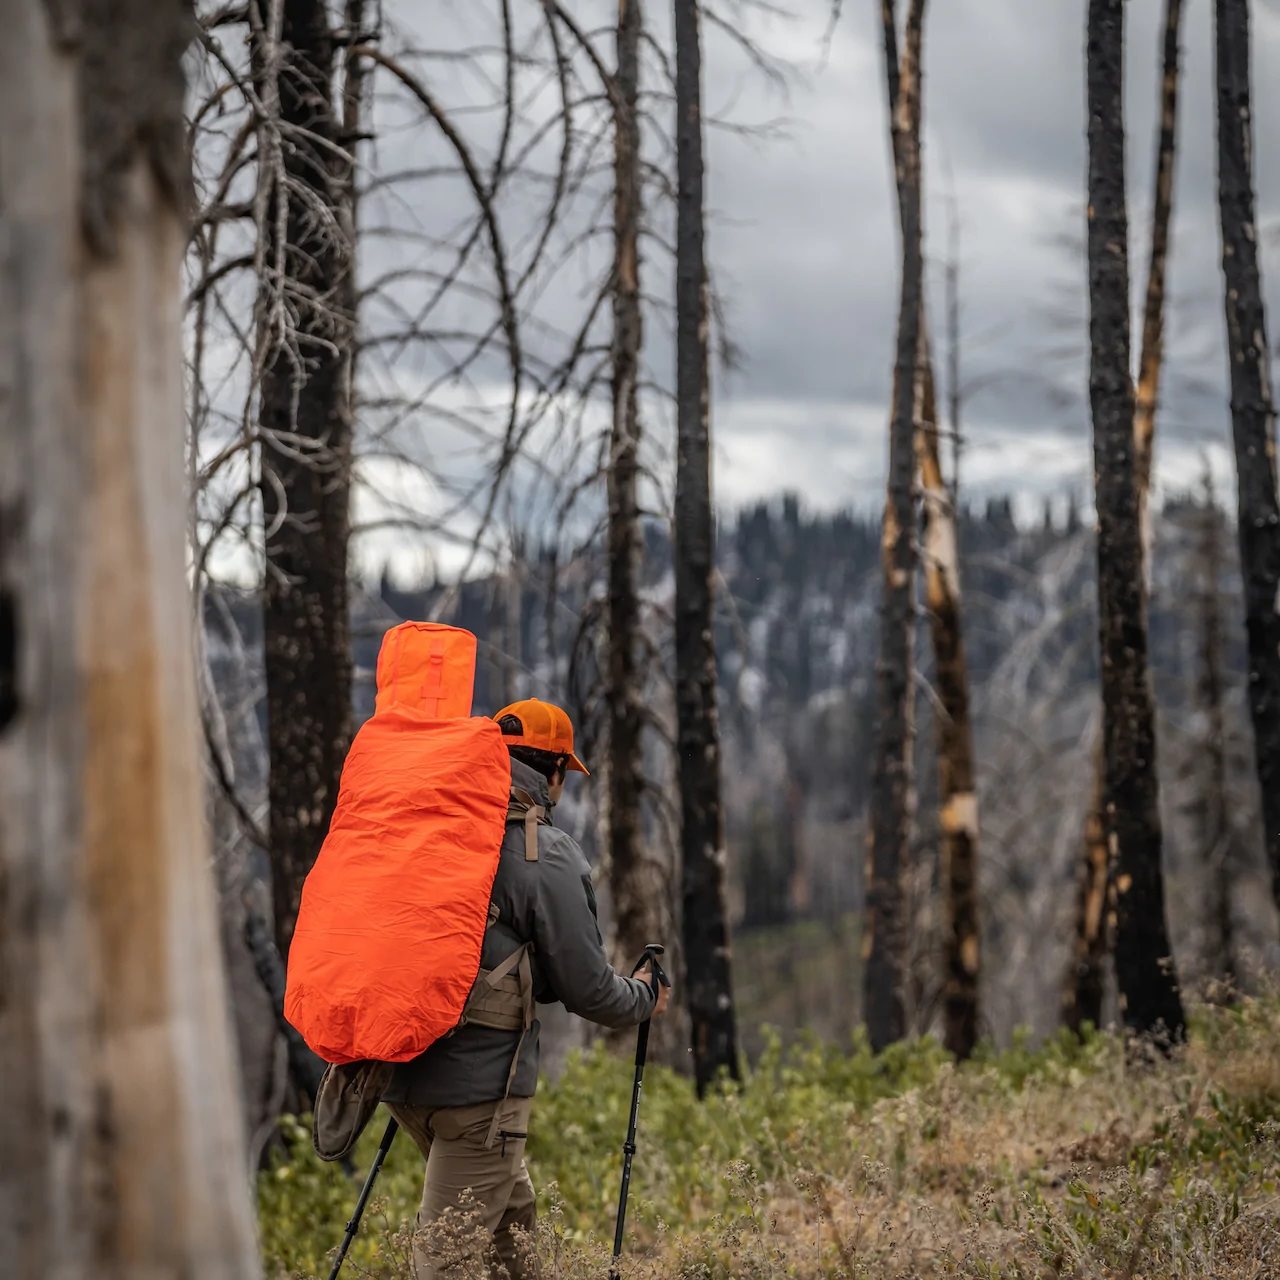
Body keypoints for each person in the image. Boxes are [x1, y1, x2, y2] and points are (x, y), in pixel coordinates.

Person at [381, 697, 671, 1279]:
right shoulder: (546, 854)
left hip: (400, 1074)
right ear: (555, 771)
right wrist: (643, 997)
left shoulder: (436, 827)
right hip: (480, 1092)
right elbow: (589, 990)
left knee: (512, 1238)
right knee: (446, 1263)